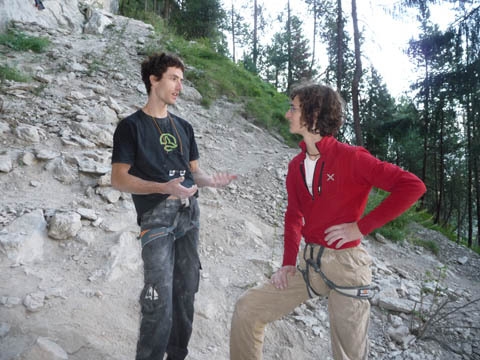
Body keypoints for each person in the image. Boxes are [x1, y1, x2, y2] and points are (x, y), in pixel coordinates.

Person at [230, 83, 426, 360]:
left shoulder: (353, 158)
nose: (288, 115)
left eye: (294, 108)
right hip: (310, 264)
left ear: (314, 113)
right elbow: (294, 216)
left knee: (349, 356)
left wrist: (360, 227)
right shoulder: (296, 165)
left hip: (348, 267)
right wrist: (287, 263)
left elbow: (412, 186)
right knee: (248, 308)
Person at [111, 52, 236, 360]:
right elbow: (118, 179)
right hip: (156, 220)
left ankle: (177, 355)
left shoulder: (184, 127)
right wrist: (162, 188)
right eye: (173, 79)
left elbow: (194, 171)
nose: (180, 86)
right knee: (158, 299)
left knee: (186, 293)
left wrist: (208, 181)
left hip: (189, 216)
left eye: (182, 80)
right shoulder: (131, 127)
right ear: (154, 80)